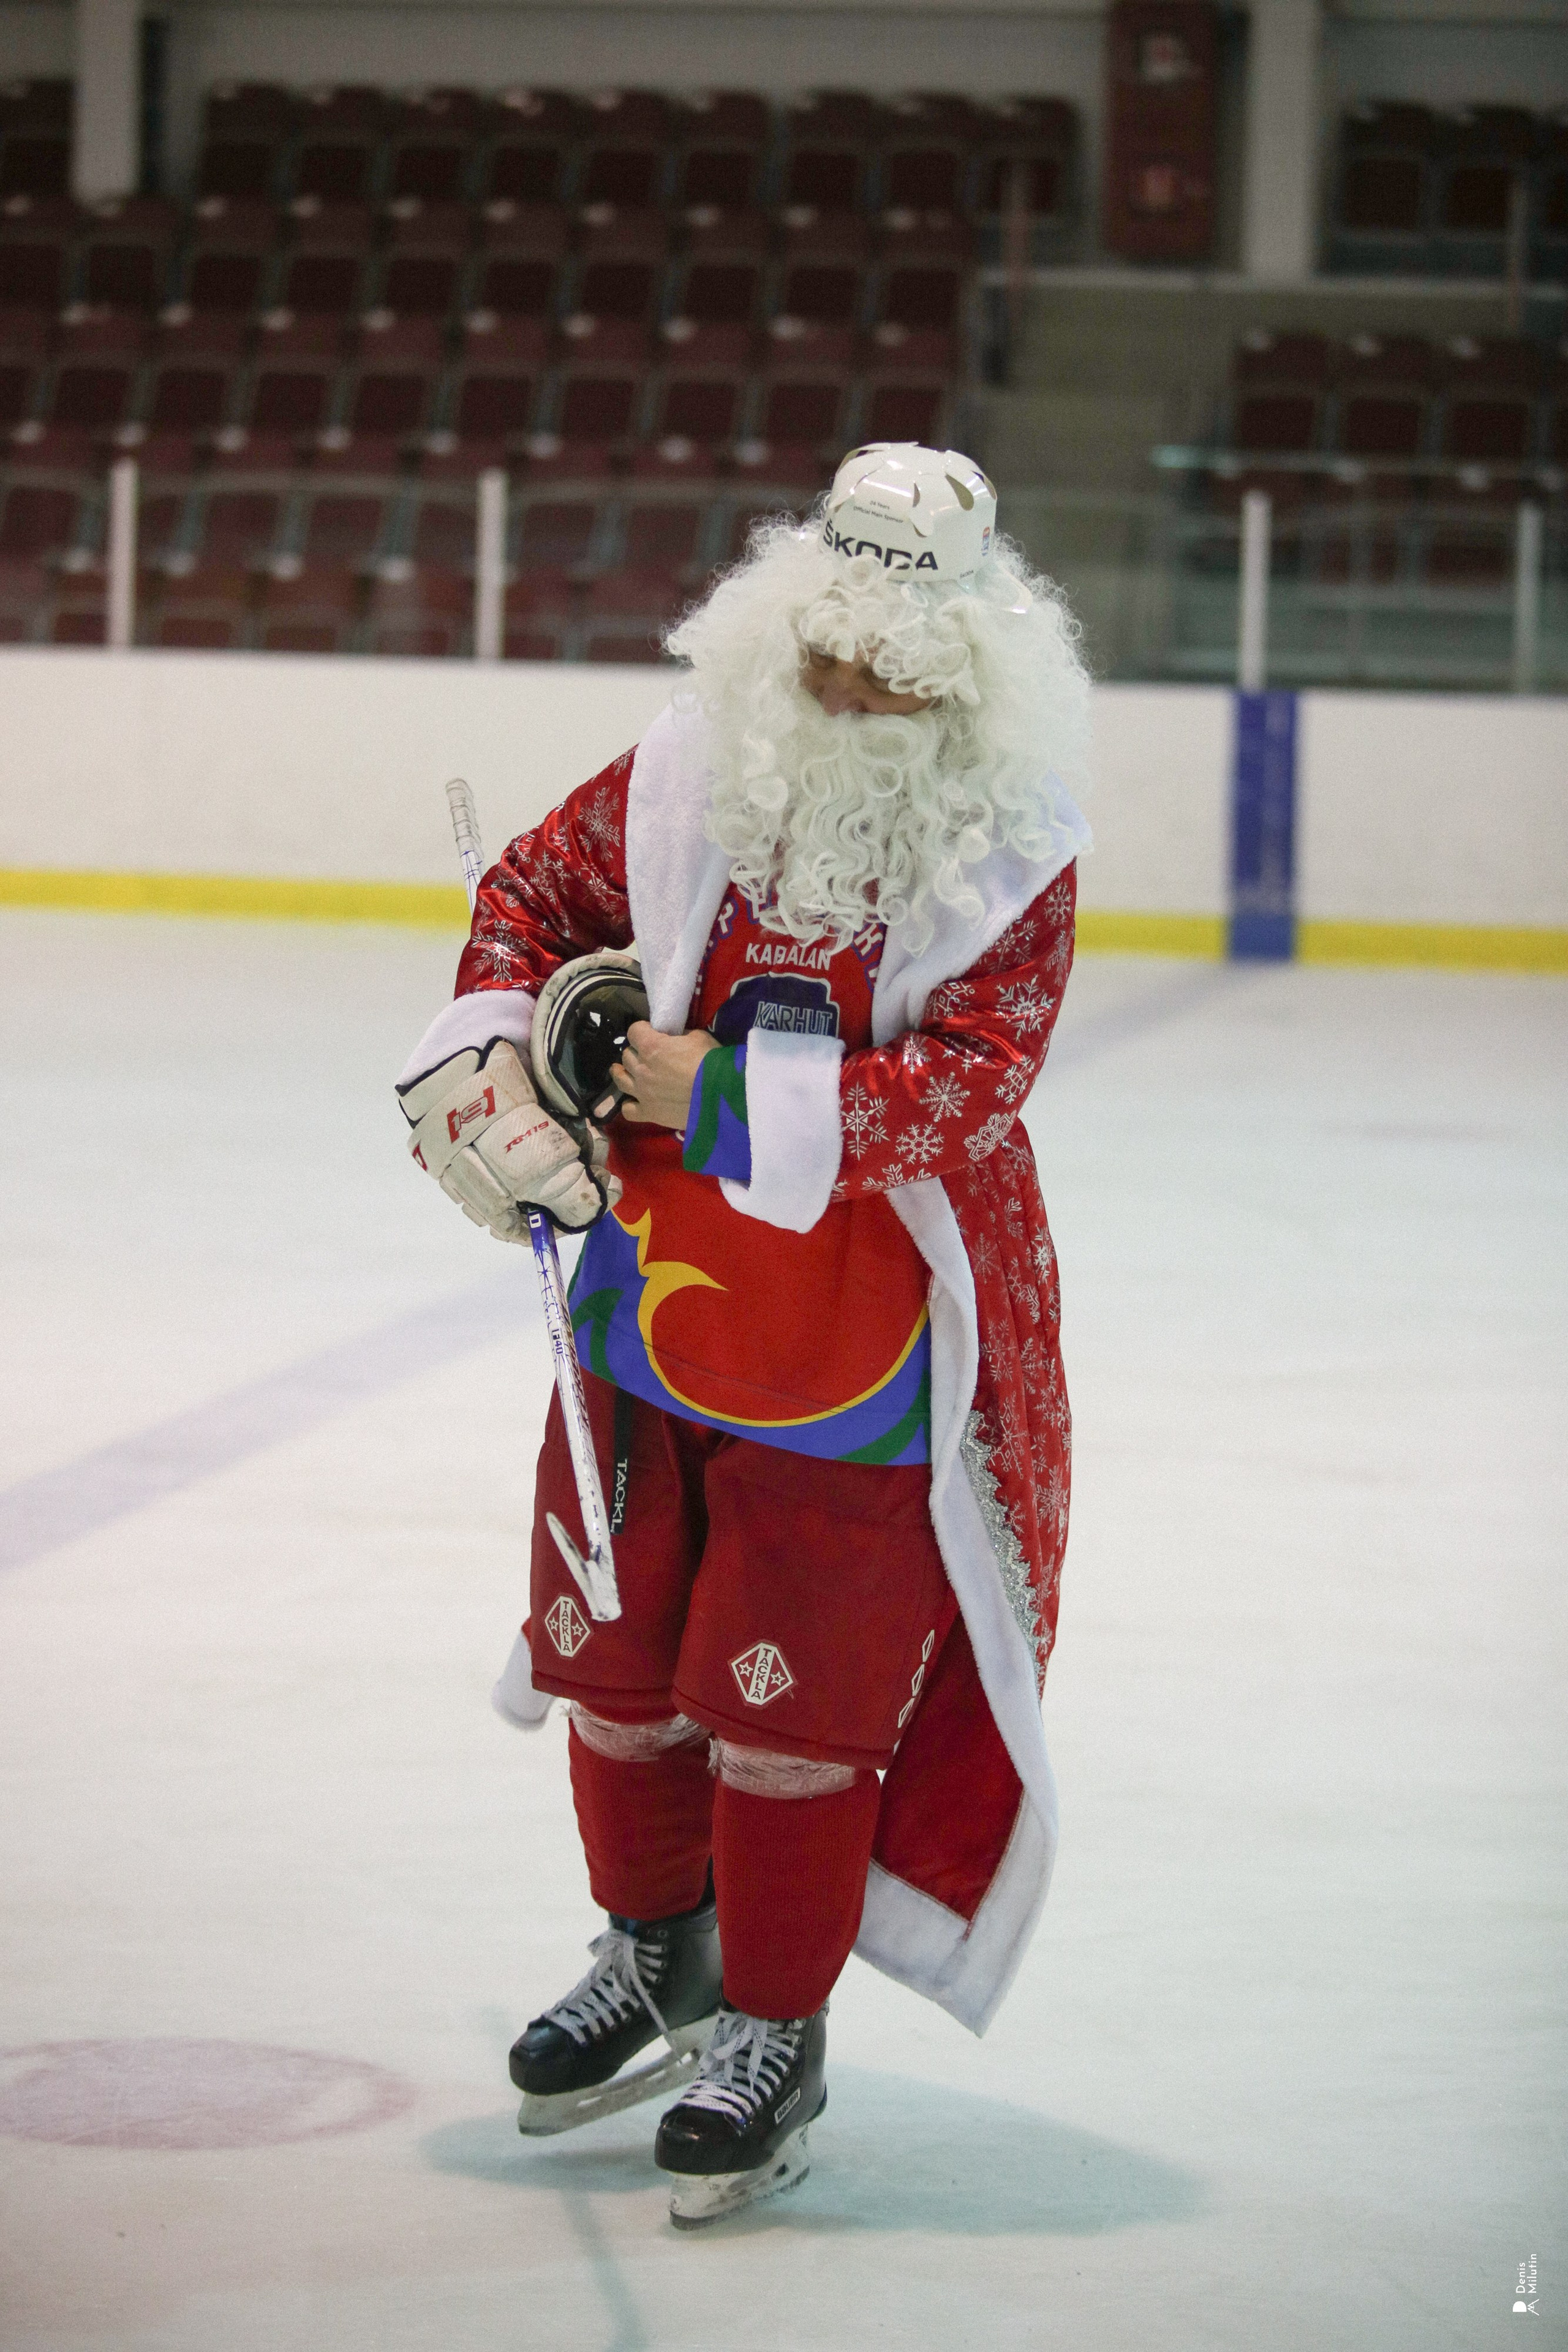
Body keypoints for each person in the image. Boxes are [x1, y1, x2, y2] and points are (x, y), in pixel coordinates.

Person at [396, 443, 1091, 2226]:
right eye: (823, 662)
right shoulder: (689, 767)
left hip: (860, 1347)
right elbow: (525, 908)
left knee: (796, 1700)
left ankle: (776, 2028)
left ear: (966, 680)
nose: (849, 694)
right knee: (616, 1664)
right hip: (640, 1309)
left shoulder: (1016, 851)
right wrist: (488, 1063)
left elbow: (972, 1088)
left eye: (894, 674)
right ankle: (657, 1951)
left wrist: (725, 1095)